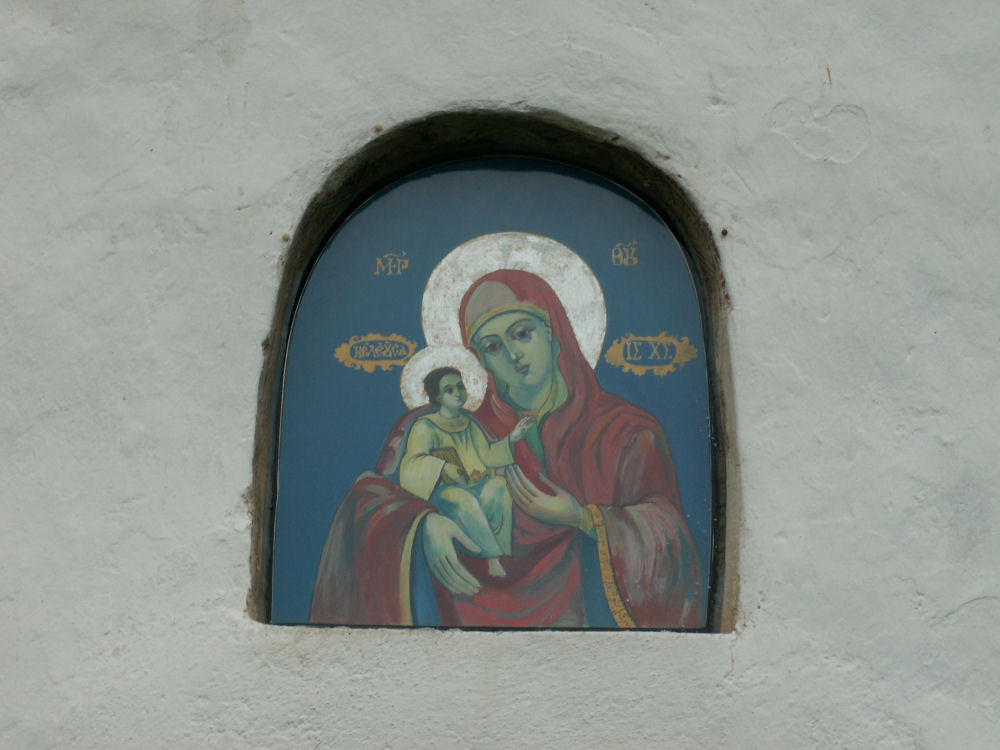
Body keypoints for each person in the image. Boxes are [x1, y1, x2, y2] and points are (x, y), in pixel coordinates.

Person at [310, 269, 702, 628]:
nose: (513, 355)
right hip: (462, 629)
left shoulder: (626, 432)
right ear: (479, 361)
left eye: (522, 334)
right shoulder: (455, 426)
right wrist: (423, 523)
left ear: (554, 333)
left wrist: (581, 517)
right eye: (494, 346)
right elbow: (369, 503)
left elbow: (669, 536)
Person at [398, 366, 533, 578]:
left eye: (460, 387)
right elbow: (412, 464)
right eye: (449, 390)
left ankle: (502, 552)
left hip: (474, 484)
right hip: (443, 492)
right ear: (437, 396)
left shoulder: (469, 424)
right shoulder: (425, 426)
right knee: (463, 499)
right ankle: (492, 558)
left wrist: (512, 438)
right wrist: (442, 467)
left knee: (498, 487)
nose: (458, 393)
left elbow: (488, 455)